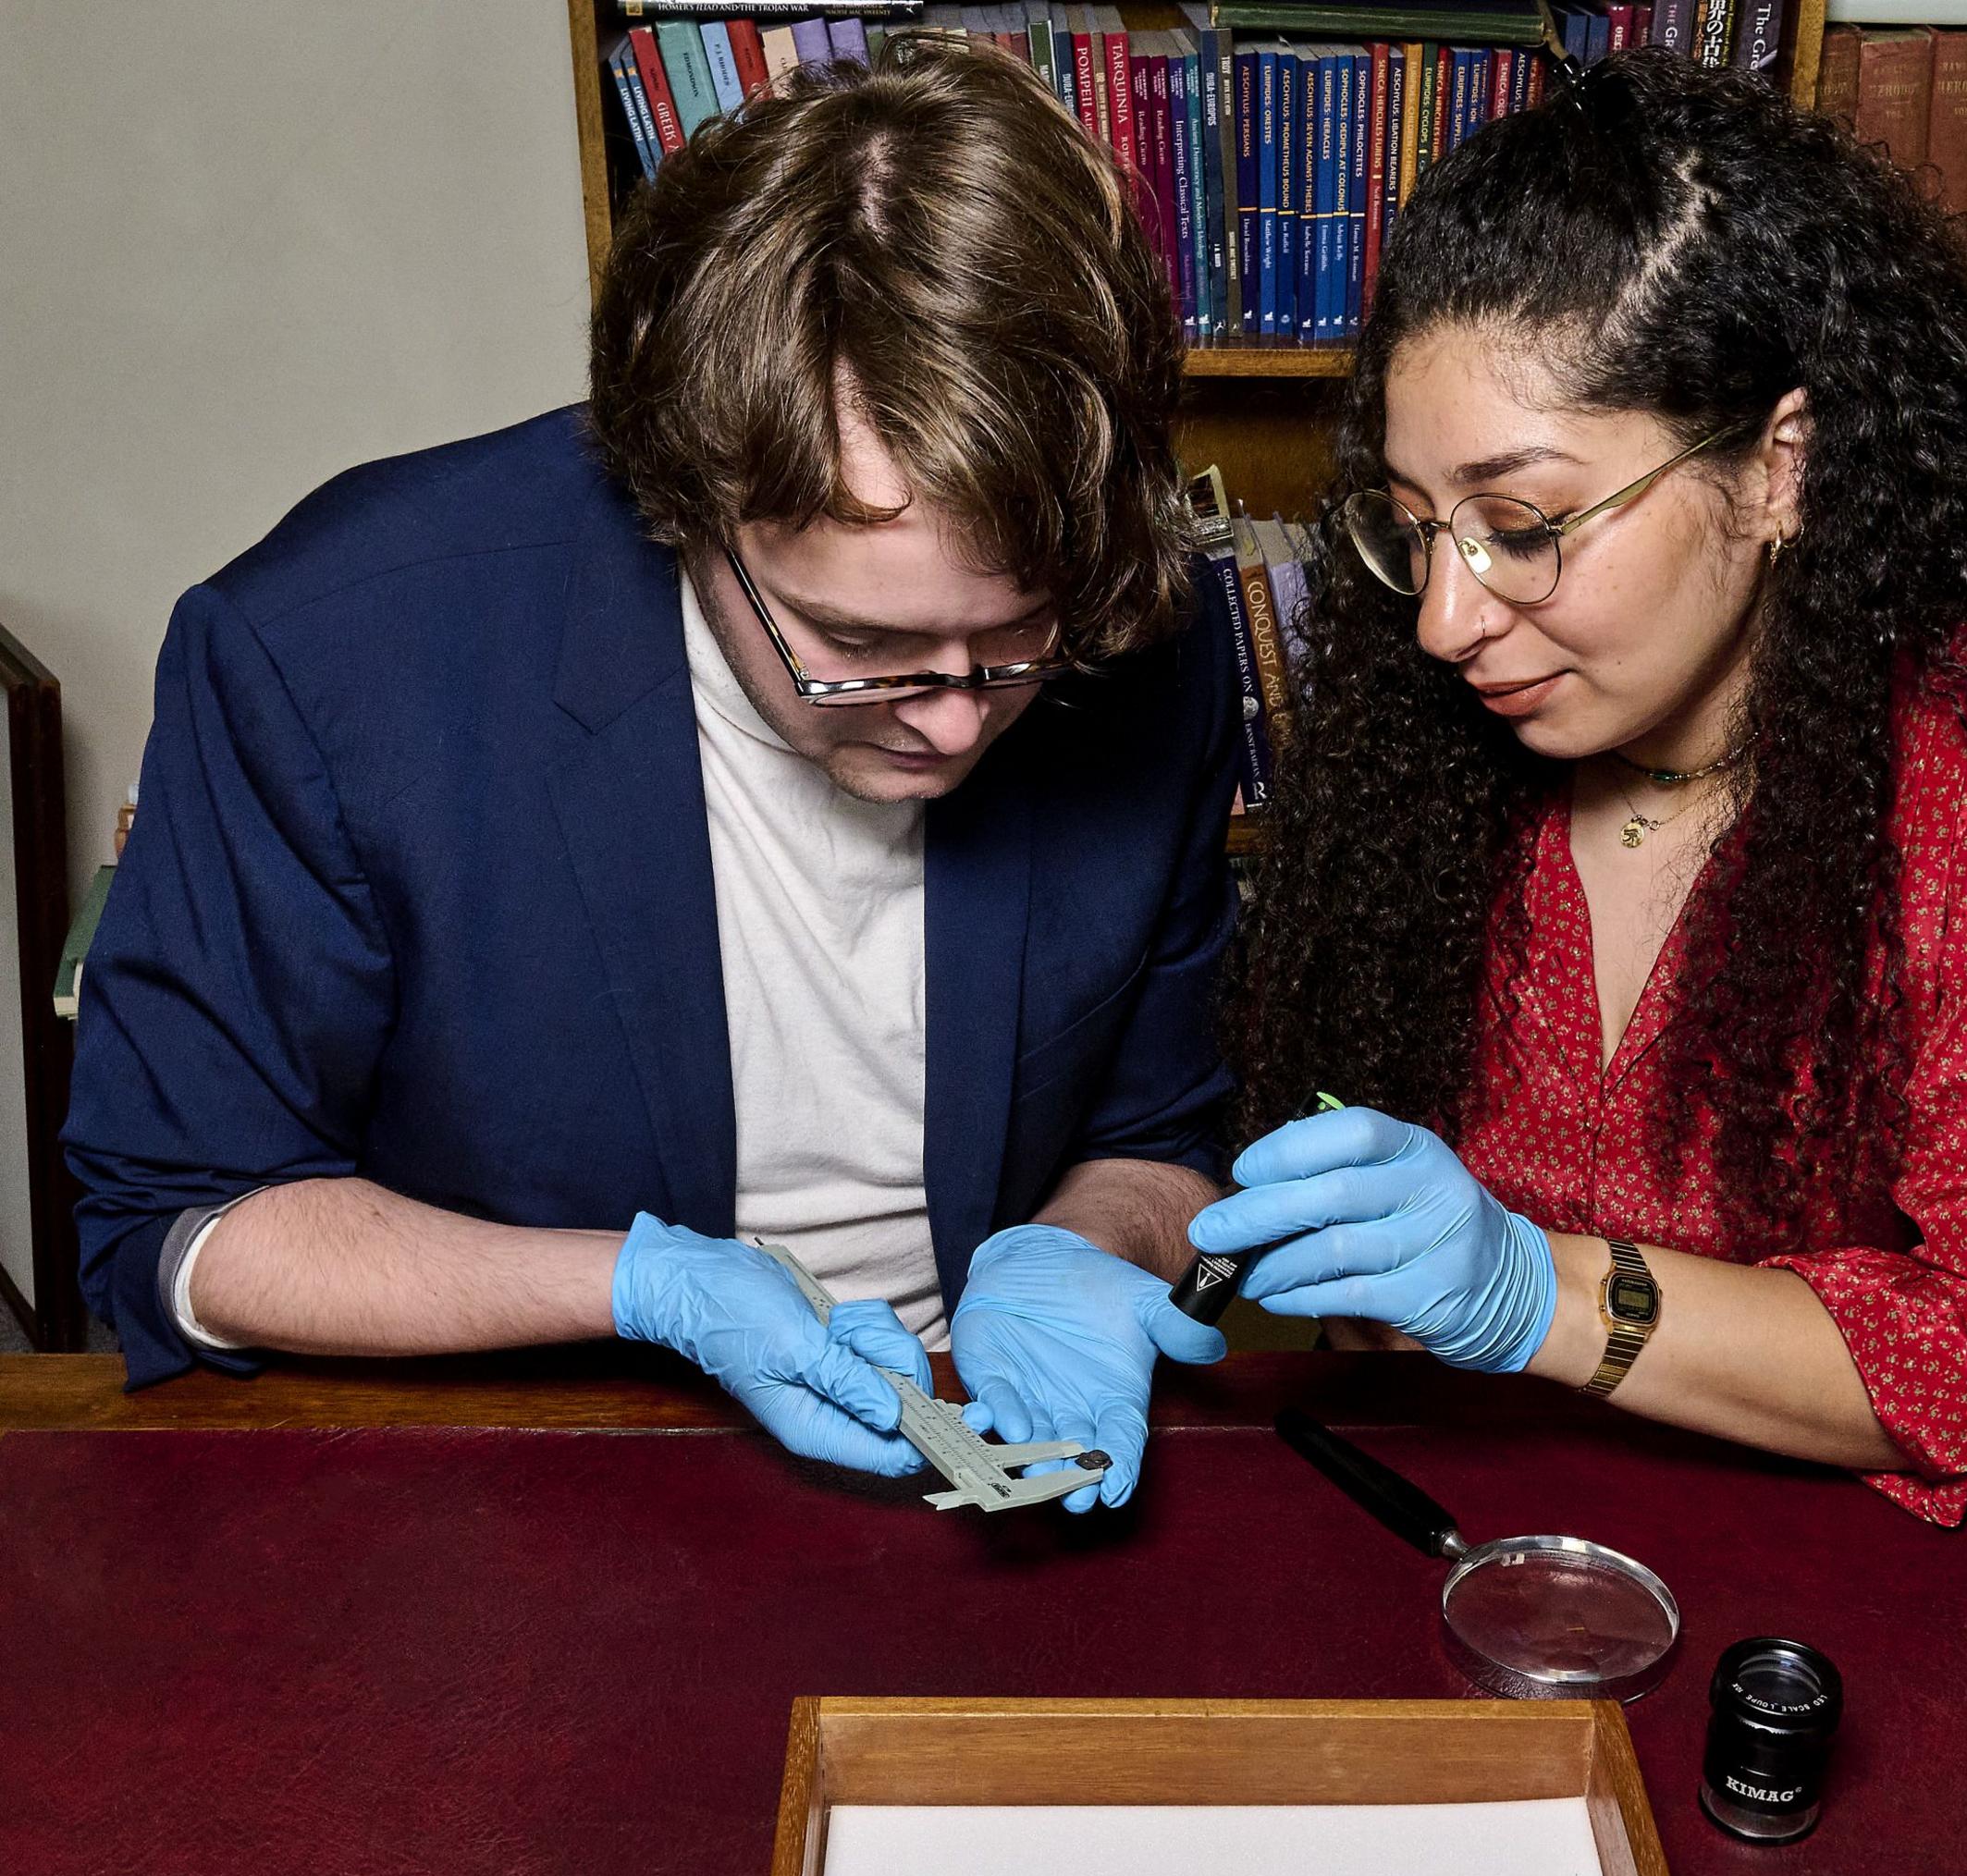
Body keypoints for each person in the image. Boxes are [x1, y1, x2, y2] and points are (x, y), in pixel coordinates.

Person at [67, 44, 1237, 1509]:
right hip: (518, 1482)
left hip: (977, 1458)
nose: (949, 724)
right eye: (859, 645)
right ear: (687, 491)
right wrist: (638, 1286)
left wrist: (1092, 1244)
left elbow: (1160, 1135)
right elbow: (177, 1225)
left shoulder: (1142, 641)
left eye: (1008, 646)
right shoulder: (324, 656)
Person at [1197, 51, 1967, 1523]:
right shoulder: (1426, 758)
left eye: (1525, 522)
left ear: (1781, 468)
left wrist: (1546, 1295)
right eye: (1416, 528)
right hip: (1455, 1540)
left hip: (1853, 1603)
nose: (1442, 620)